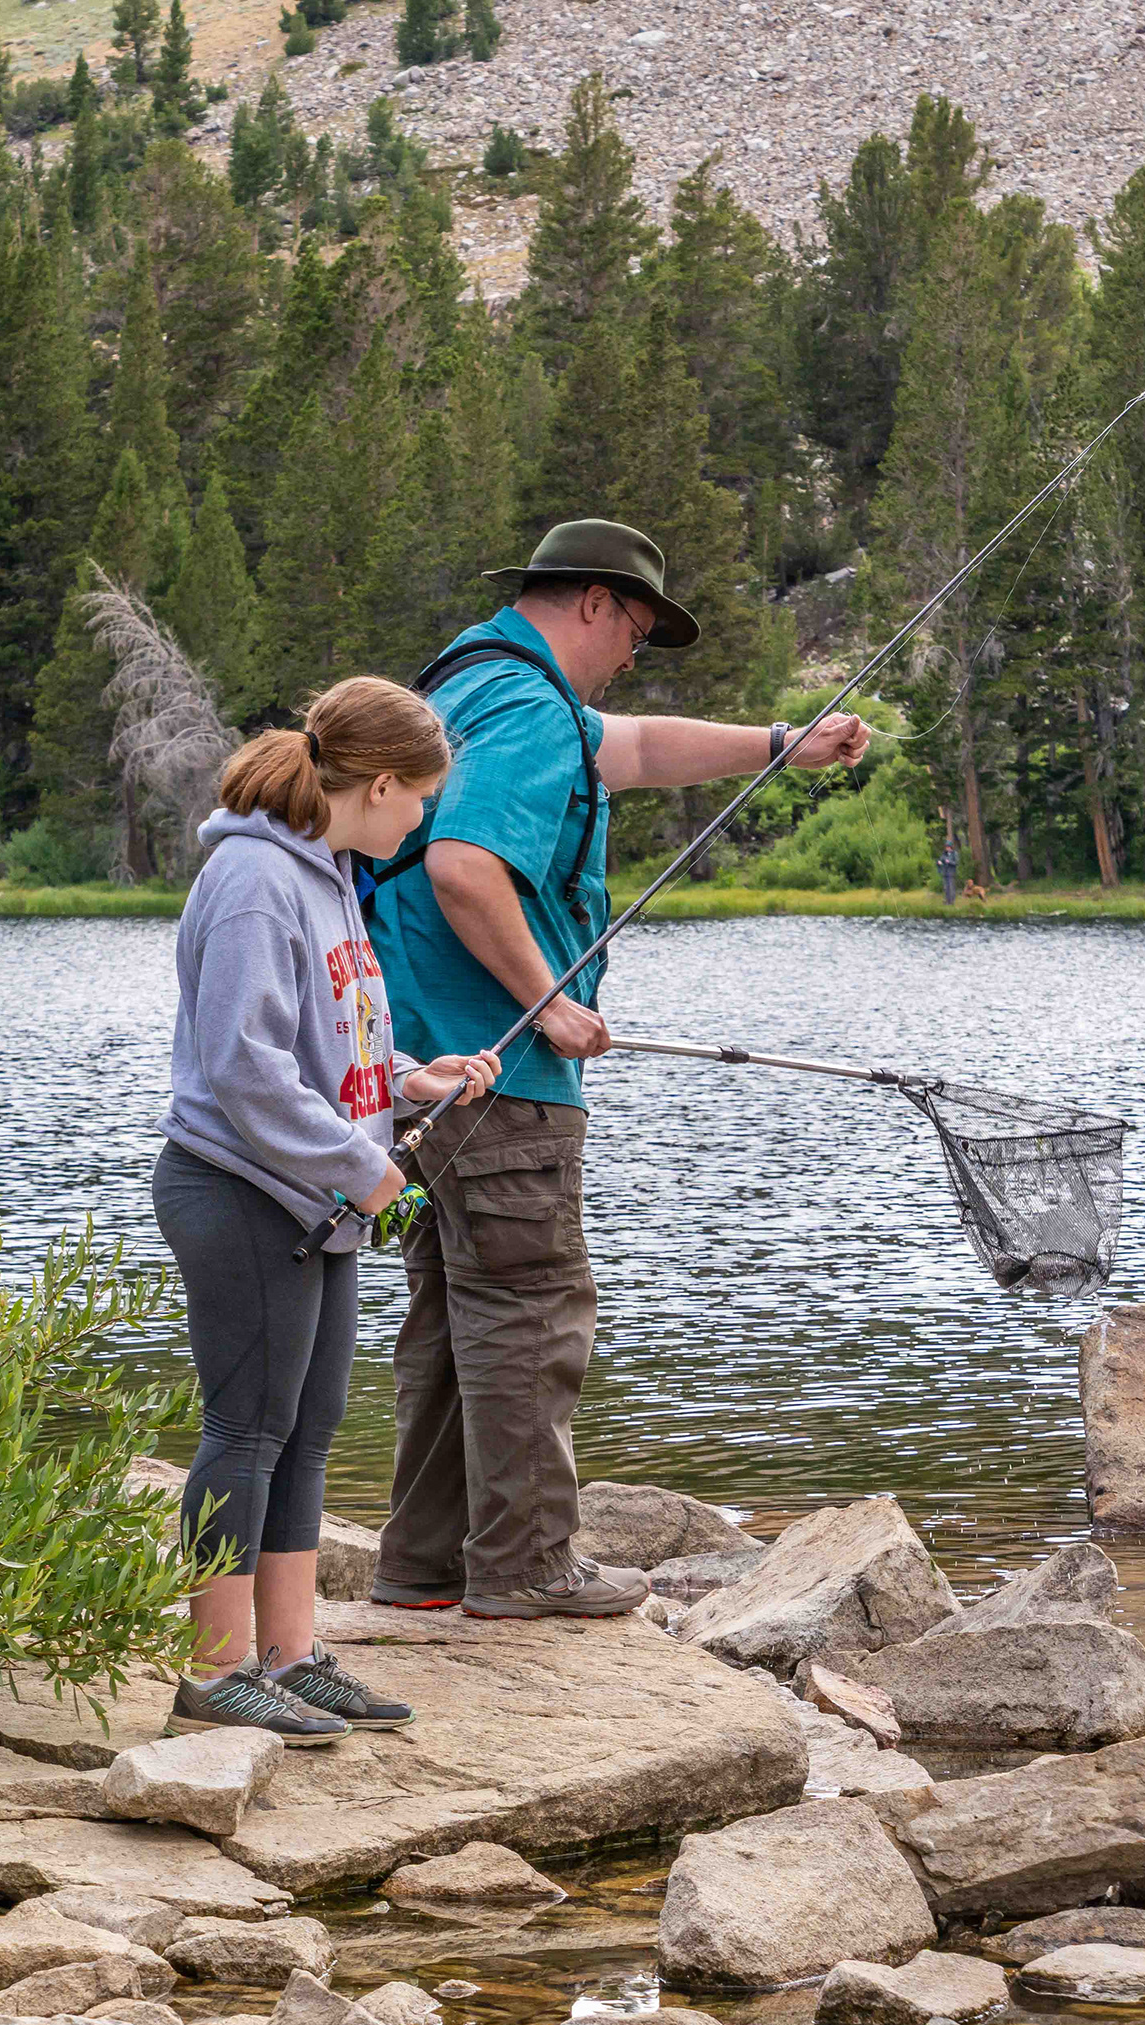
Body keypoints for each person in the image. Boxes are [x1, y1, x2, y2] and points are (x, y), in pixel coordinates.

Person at [362, 520, 866, 1618]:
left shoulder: (479, 681)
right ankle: (529, 1567)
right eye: (636, 627)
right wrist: (548, 998)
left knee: (457, 1324)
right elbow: (461, 863)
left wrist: (780, 740)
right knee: (535, 1312)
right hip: (496, 1069)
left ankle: (423, 1565)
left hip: (420, 1073)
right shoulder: (530, 706)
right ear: (593, 602)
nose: (634, 653)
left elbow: (630, 748)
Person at [156, 677, 494, 1741]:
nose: (422, 820)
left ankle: (291, 1655)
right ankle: (216, 1670)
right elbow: (245, 1067)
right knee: (245, 1429)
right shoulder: (256, 878)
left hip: (316, 1194)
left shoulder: (331, 875)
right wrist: (369, 1166)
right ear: (382, 781)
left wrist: (404, 1081)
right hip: (241, 1193)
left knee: (305, 1433)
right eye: (421, 800)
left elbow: (323, 1039)